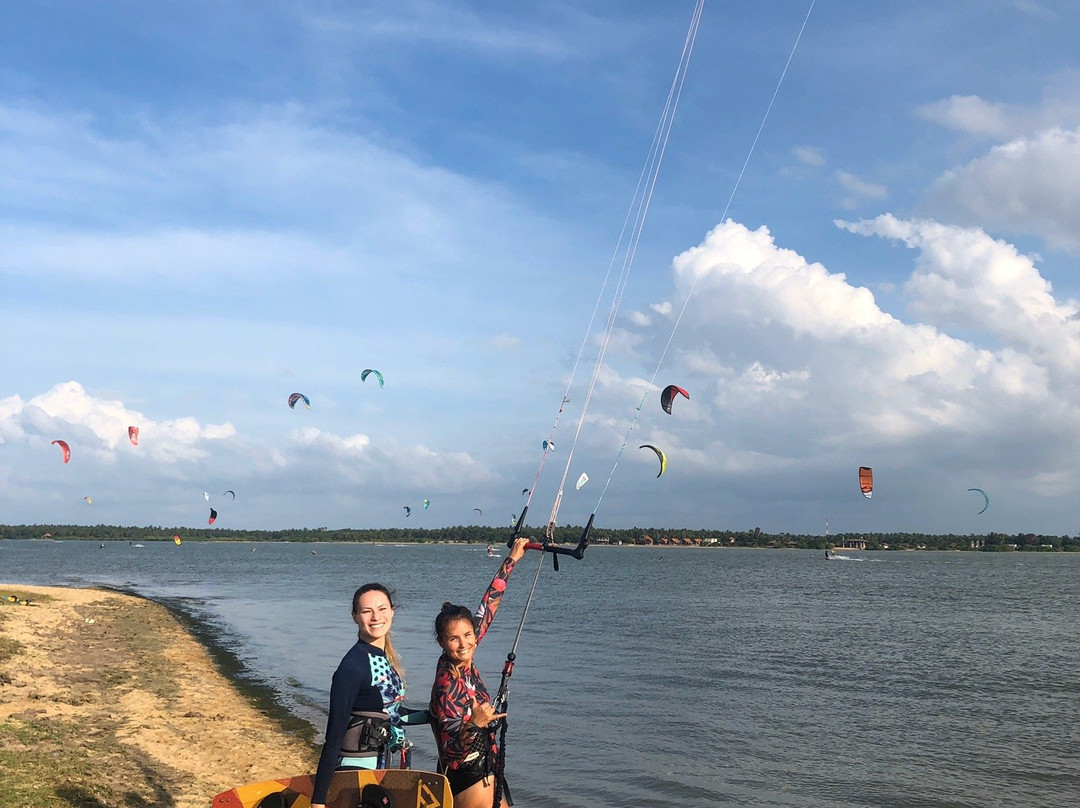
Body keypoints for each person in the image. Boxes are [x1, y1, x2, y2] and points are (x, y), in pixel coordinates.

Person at [429, 537, 530, 808]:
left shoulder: (465, 657)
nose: (463, 644)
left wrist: (511, 560)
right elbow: (451, 754)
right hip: (467, 778)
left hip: (487, 769)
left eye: (468, 635)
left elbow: (488, 607)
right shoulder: (447, 684)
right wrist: (474, 723)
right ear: (441, 643)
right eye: (454, 639)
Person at [311, 583, 428, 808]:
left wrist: (435, 715)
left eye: (382, 609)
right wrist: (318, 801)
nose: (376, 617)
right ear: (355, 616)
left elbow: (393, 715)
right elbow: (333, 737)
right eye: (367, 611)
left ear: (392, 612)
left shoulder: (384, 660)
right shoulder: (352, 667)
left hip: (379, 769)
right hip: (353, 773)